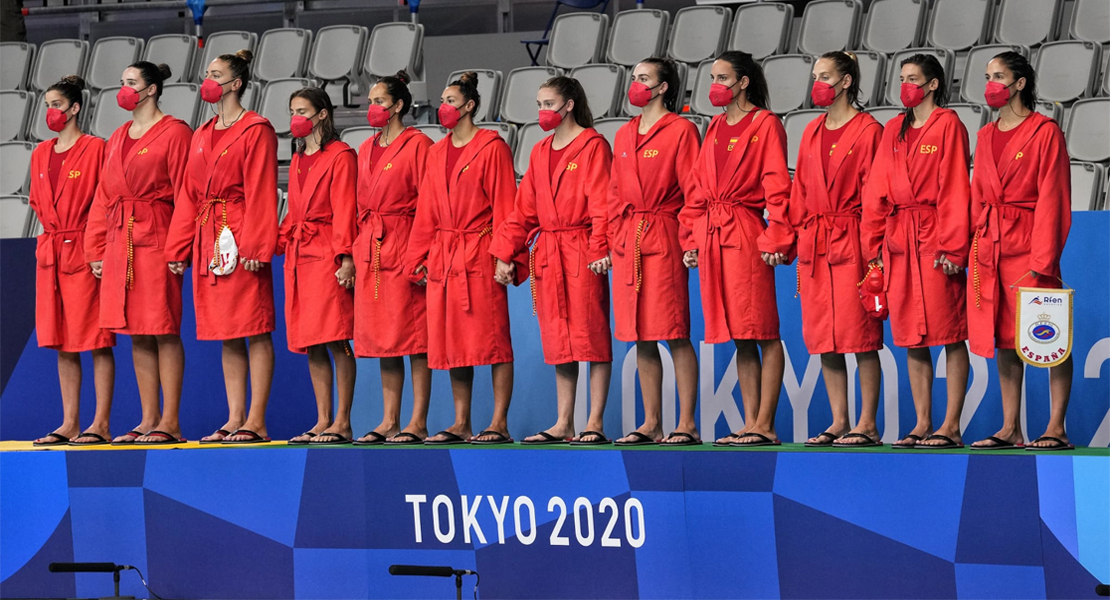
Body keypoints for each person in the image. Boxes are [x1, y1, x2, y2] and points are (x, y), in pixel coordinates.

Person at [761, 51, 886, 448]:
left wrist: (874, 249)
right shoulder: (812, 130)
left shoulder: (869, 130)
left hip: (852, 237)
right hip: (816, 241)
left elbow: (876, 194)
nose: (817, 82)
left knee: (861, 336)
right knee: (824, 338)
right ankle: (839, 420)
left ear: (846, 81)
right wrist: (785, 241)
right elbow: (799, 193)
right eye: (815, 75)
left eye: (825, 76)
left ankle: (867, 423)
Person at [490, 76, 614, 446]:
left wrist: (600, 248)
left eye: (549, 104)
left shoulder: (593, 145)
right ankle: (564, 422)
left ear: (570, 104)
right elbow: (523, 211)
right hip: (549, 252)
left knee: (591, 337)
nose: (543, 111)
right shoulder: (540, 151)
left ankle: (594, 421)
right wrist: (504, 252)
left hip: (581, 249)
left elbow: (603, 205)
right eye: (540, 104)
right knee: (560, 340)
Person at [165, 49, 279, 444]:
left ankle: (257, 420)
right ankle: (234, 418)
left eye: (216, 74)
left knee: (255, 327)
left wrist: (257, 244)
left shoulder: (256, 129)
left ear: (236, 83)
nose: (207, 81)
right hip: (209, 236)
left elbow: (262, 190)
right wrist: (178, 248)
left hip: (241, 233)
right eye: (206, 73)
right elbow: (188, 195)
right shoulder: (200, 134)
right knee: (228, 332)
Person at [403, 72, 522, 445]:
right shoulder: (435, 152)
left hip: (480, 253)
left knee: (494, 339)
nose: (443, 108)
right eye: (442, 100)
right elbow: (426, 212)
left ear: (470, 106)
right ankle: (461, 422)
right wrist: (416, 257)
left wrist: (505, 255)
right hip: (444, 256)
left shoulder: (492, 147)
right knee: (454, 343)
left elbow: (506, 205)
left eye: (451, 101)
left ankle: (499, 421)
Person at [862, 54, 972, 449]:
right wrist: (872, 245)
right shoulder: (893, 128)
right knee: (911, 335)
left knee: (950, 333)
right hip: (898, 242)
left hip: (935, 237)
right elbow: (875, 190)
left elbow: (956, 187)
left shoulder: (949, 125)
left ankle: (951, 424)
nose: (905, 85)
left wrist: (953, 245)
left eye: (913, 79)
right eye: (902, 77)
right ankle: (923, 422)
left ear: (933, 85)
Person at [967, 52, 1074, 451]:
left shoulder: (1045, 132)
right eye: (987, 76)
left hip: (1030, 246)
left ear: (1020, 83)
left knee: (1050, 337)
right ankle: (1011, 426)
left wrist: (1042, 261)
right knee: (1005, 339)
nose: (990, 83)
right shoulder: (985, 135)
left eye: (998, 76)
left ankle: (1056, 427)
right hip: (991, 246)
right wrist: (973, 243)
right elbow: (979, 197)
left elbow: (1054, 198)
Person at [683, 51, 789, 447]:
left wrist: (775, 237)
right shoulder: (712, 127)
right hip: (711, 231)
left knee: (762, 329)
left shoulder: (766, 124)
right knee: (739, 333)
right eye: (712, 76)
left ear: (743, 82)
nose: (715, 84)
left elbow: (778, 184)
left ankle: (766, 424)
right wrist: (690, 238)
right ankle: (749, 423)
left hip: (745, 231)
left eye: (722, 77)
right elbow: (696, 188)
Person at [86, 62, 191, 445]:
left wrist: (181, 244)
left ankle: (171, 421)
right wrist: (96, 247)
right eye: (122, 83)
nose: (124, 90)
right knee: (137, 332)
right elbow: (103, 196)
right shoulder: (116, 136)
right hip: (120, 239)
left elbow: (185, 192)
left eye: (131, 83)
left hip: (157, 235)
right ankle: (148, 419)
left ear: (150, 90)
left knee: (163, 328)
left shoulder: (175, 132)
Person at [608, 58, 701, 446]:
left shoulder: (681, 130)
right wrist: (612, 238)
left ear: (663, 87)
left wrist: (691, 240)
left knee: (674, 331)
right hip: (629, 239)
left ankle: (687, 423)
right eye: (634, 79)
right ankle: (652, 422)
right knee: (640, 335)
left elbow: (694, 189)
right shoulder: (624, 134)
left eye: (644, 79)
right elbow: (613, 195)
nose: (636, 85)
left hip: (664, 234)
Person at [29, 75, 116, 446]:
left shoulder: (97, 148)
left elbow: (105, 200)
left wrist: (96, 248)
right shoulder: (40, 153)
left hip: (85, 248)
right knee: (62, 341)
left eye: (57, 105)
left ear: (75, 108)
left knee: (96, 339)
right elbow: (36, 201)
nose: (51, 112)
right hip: (51, 252)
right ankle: (69, 422)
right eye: (47, 105)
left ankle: (101, 423)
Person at [352, 70, 434, 445]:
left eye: (380, 102)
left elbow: (429, 204)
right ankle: (389, 420)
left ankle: (417, 420)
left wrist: (422, 253)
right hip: (372, 246)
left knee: (414, 336)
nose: (373, 108)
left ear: (398, 106)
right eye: (370, 102)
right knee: (386, 338)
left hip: (405, 243)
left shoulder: (418, 144)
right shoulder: (366, 149)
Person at [279, 87, 358, 445]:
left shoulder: (341, 156)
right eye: (292, 110)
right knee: (312, 341)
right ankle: (322, 418)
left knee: (337, 337)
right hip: (300, 256)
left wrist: (346, 257)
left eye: (303, 110)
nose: (296, 117)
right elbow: (294, 211)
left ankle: (342, 421)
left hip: (327, 253)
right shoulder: (297, 158)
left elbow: (345, 208)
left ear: (322, 114)